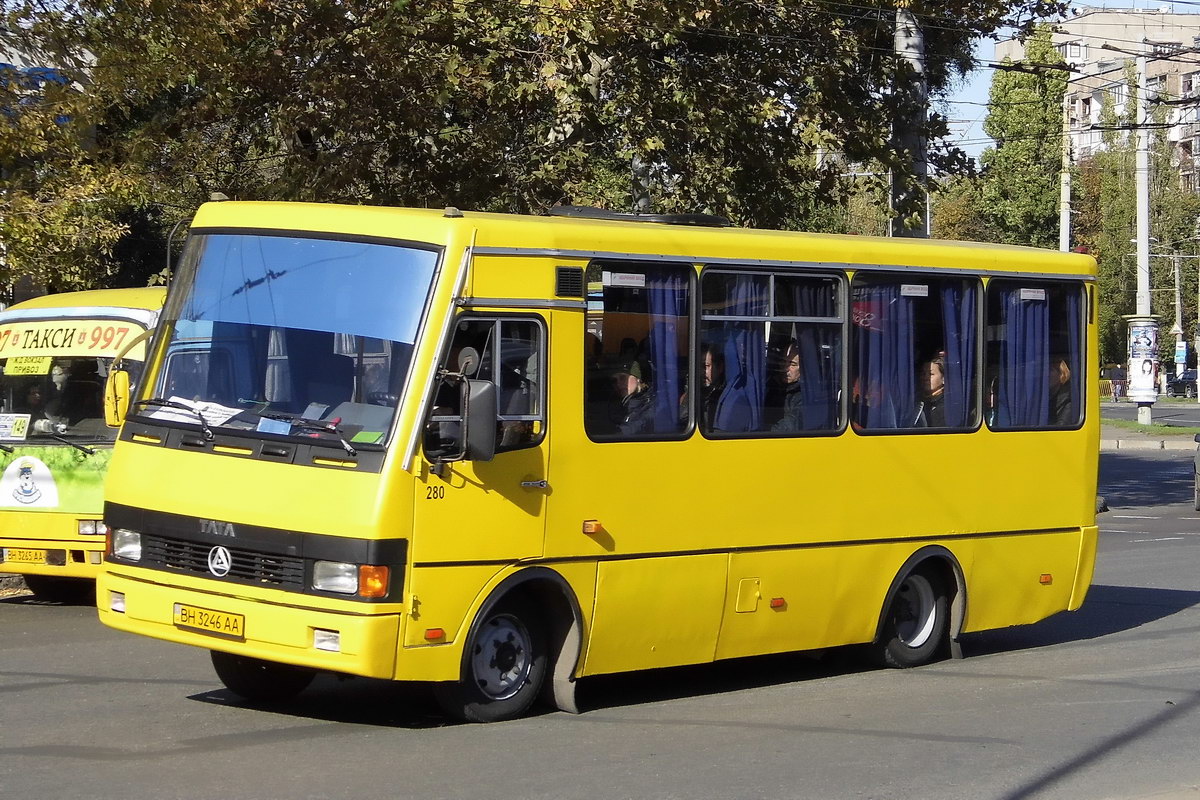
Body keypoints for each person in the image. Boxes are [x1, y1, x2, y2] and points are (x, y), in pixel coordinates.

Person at [611, 358, 655, 435]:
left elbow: (640, 424)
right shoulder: (615, 402)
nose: (618, 384)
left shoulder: (651, 402)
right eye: (615, 381)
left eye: (623, 378)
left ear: (638, 379)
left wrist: (619, 433)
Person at [771, 342, 804, 432]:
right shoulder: (772, 385)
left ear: (803, 368)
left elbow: (790, 426)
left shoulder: (803, 395)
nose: (785, 368)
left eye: (792, 364)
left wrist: (760, 431)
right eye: (783, 362)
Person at [915, 356, 946, 427]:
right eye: (923, 374)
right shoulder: (917, 403)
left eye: (931, 374)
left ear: (943, 378)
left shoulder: (947, 406)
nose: (926, 378)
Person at [1050, 355, 1073, 426]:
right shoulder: (1047, 396)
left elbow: (1062, 425)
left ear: (1062, 375)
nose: (1045, 374)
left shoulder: (1068, 401)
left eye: (1050, 370)